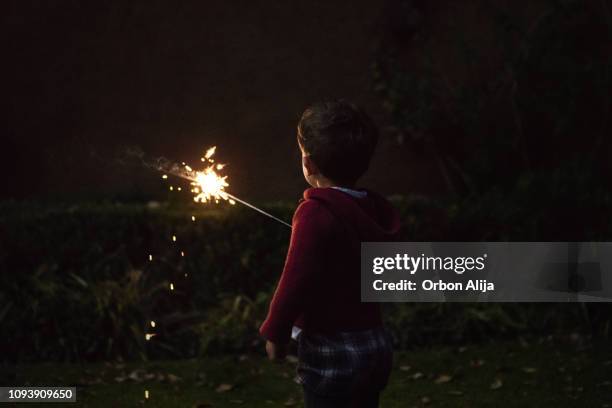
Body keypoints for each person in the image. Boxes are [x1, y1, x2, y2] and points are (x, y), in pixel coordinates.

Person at [259, 100, 401, 407]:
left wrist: (276, 334)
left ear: (308, 164)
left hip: (333, 355)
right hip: (374, 346)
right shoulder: (370, 208)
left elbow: (294, 282)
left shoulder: (314, 214)